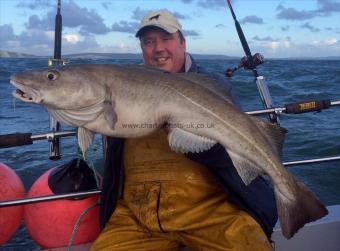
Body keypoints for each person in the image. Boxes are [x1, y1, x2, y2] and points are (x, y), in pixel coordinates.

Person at [91, 10, 277, 251]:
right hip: (136, 218)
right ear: (142, 49)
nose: (158, 48)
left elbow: (234, 154)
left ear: (183, 43)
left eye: (166, 38)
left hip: (211, 212)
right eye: (148, 42)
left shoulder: (214, 86)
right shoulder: (122, 85)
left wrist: (199, 141)